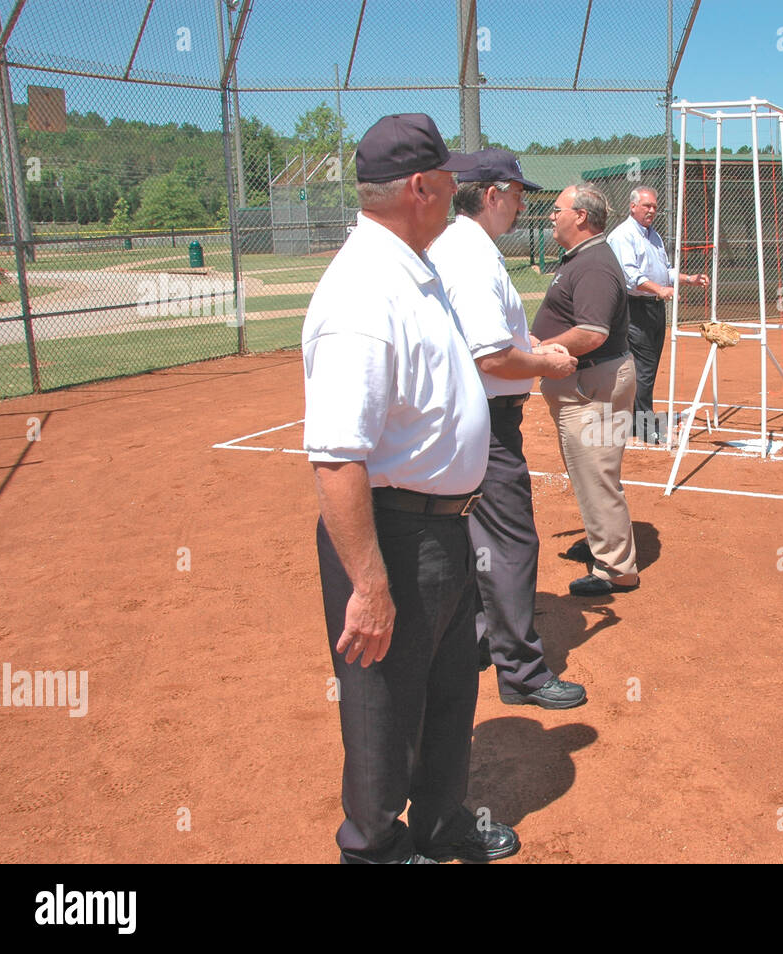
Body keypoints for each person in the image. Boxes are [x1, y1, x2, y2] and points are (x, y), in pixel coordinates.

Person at [302, 113, 519, 863]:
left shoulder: (410, 266)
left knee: (450, 691)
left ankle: (438, 822)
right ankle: (373, 847)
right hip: (392, 533)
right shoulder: (363, 292)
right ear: (422, 187)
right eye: (449, 179)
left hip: (444, 529)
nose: (459, 190)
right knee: (383, 706)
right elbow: (336, 456)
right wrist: (368, 583)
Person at [428, 149, 588, 710]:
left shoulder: (464, 248)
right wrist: (546, 362)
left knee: (475, 539)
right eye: (518, 194)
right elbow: (491, 359)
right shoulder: (469, 255)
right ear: (492, 194)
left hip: (469, 417)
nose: (524, 204)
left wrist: (530, 351)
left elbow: (494, 348)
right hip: (485, 422)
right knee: (510, 539)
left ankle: (481, 640)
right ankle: (521, 671)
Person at [532, 183, 640, 597]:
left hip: (593, 383)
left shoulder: (593, 263)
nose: (550, 216)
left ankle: (616, 569)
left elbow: (593, 332)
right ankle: (606, 545)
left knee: (597, 473)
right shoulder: (585, 257)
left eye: (557, 209)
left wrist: (539, 351)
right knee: (592, 472)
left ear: (580, 216)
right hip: (589, 383)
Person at [606, 186, 709, 444]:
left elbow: (665, 271)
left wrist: (688, 279)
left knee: (647, 367)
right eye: (646, 205)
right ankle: (643, 426)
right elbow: (631, 277)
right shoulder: (623, 236)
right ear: (632, 207)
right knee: (644, 367)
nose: (651, 210)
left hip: (654, 307)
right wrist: (659, 289)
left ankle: (632, 420)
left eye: (654, 206)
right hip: (634, 308)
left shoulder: (654, 236)